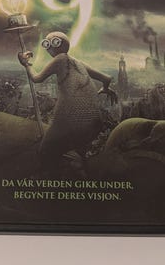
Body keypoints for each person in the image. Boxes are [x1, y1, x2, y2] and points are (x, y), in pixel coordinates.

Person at [18, 31, 116, 169]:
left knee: (45, 152)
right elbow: (107, 78)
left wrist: (26, 64)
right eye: (46, 44)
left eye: (51, 43)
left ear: (58, 44)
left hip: (72, 120)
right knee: (77, 149)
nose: (48, 47)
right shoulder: (77, 62)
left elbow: (36, 78)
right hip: (95, 123)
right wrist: (105, 88)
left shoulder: (60, 59)